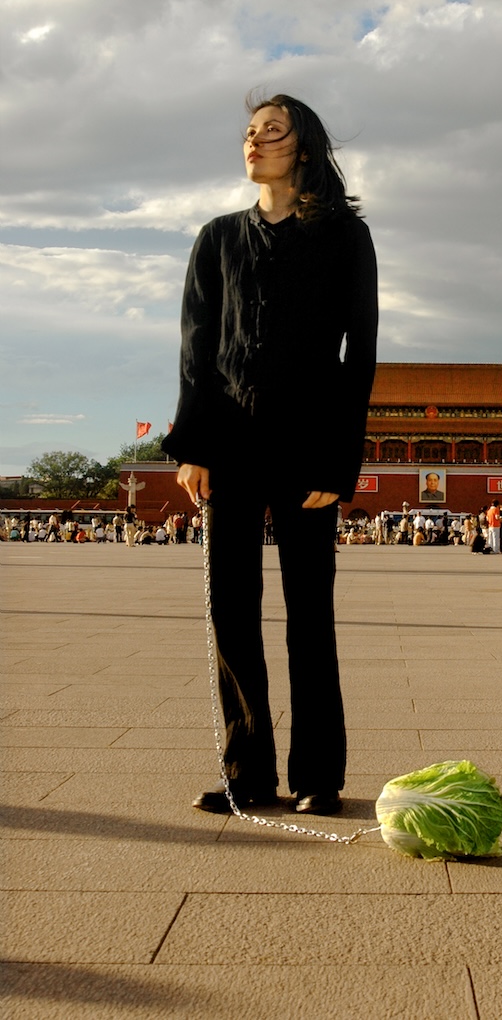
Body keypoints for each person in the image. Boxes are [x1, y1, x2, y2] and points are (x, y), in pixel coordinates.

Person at [163, 91, 378, 817]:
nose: (254, 143)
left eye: (272, 132)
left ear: (305, 148)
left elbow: (361, 354)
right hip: (228, 445)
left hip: (308, 447)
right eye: (249, 133)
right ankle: (245, 773)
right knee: (232, 610)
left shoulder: (345, 237)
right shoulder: (217, 238)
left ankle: (319, 774)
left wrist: (338, 463)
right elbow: (196, 352)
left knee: (308, 613)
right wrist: (191, 445)